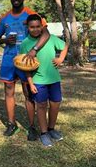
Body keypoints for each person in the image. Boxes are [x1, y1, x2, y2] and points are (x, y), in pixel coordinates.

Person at [0, 0, 49, 138]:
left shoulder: (31, 14)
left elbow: (46, 33)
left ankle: (31, 127)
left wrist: (35, 50)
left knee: (28, 93)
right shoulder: (4, 17)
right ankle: (12, 124)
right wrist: (4, 39)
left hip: (27, 61)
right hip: (9, 60)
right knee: (9, 92)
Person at [20, 14, 69, 147]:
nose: (35, 29)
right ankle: (44, 133)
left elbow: (64, 46)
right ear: (27, 27)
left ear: (42, 26)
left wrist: (61, 59)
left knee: (55, 104)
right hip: (38, 80)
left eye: (37, 26)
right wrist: (30, 83)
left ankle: (51, 129)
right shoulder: (25, 44)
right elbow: (26, 67)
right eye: (32, 27)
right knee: (41, 106)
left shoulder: (51, 39)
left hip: (54, 79)